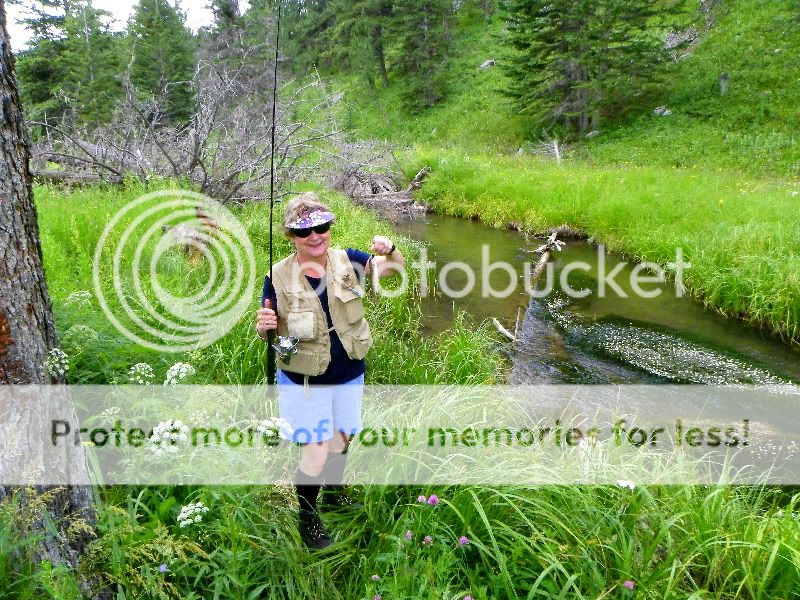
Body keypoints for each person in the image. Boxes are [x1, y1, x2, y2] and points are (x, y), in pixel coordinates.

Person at [255, 192, 404, 549]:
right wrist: (263, 327)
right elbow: (268, 329)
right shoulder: (276, 276)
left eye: (321, 227)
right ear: (291, 235)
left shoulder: (348, 260)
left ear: (329, 227)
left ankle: (335, 492)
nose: (315, 236)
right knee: (317, 451)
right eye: (303, 231)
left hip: (349, 371)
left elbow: (392, 271)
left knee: (342, 439)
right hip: (304, 380)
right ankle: (308, 516)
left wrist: (391, 250)